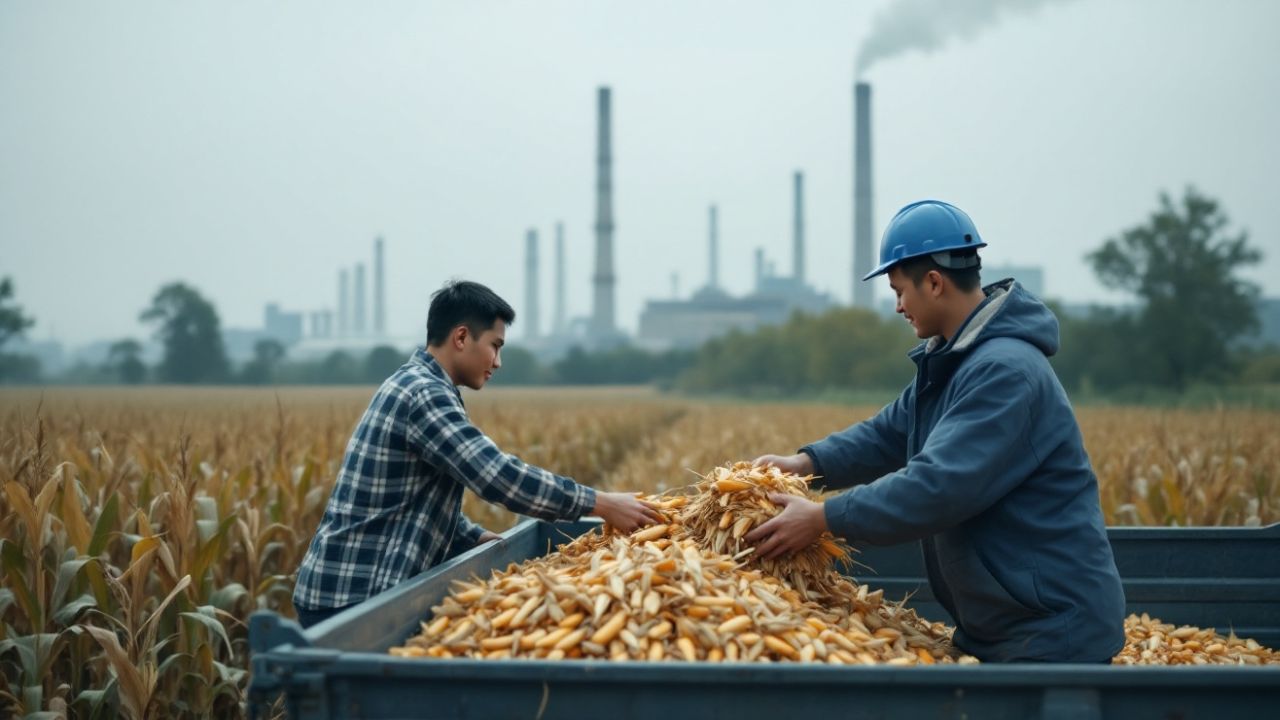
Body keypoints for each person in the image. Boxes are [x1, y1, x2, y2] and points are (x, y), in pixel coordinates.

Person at [746, 200, 1126, 663]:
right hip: (1007, 626)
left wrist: (822, 520)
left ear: (933, 282)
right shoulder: (954, 359)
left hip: (1051, 632)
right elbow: (890, 432)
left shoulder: (1004, 371)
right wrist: (806, 465)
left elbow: (938, 486)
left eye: (900, 290)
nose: (898, 306)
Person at [292, 280, 662, 628]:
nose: (498, 361)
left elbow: (413, 498)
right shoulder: (424, 395)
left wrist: (471, 538)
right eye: (496, 345)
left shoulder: (422, 385)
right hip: (348, 600)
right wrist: (600, 503)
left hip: (349, 593)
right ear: (461, 337)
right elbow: (497, 476)